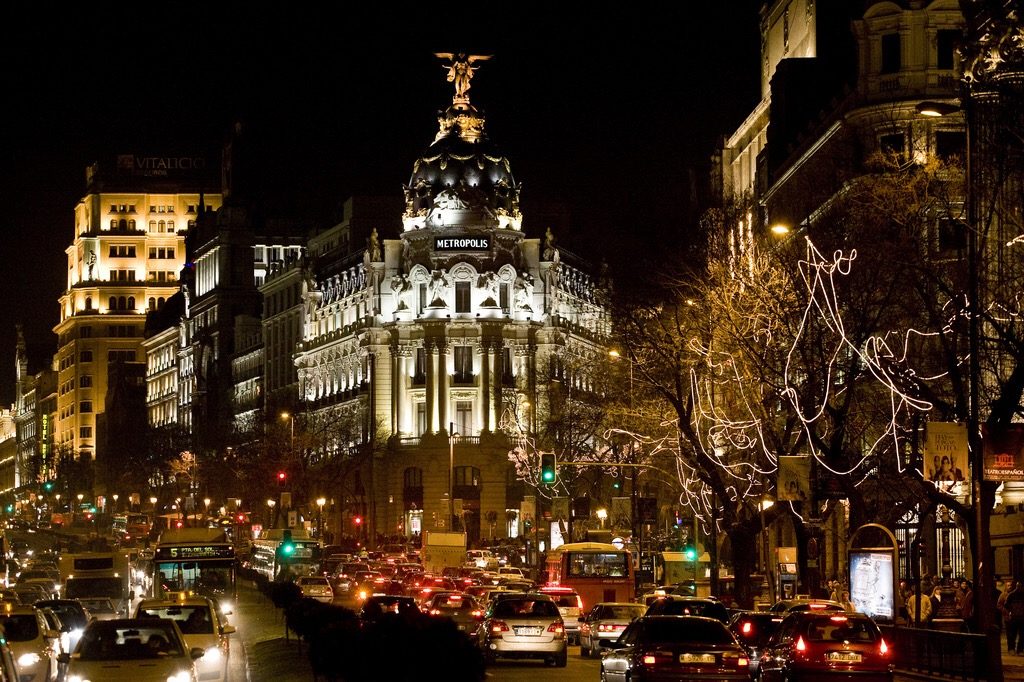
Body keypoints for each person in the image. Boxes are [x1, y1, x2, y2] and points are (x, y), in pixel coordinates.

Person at [1004, 581, 1024, 653]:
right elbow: (1006, 605)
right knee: (1015, 634)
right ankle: (1017, 649)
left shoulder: (1011, 595)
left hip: (1018, 617)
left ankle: (1017, 649)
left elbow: (1006, 605)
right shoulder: (1011, 595)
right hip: (1016, 617)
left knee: (1018, 634)